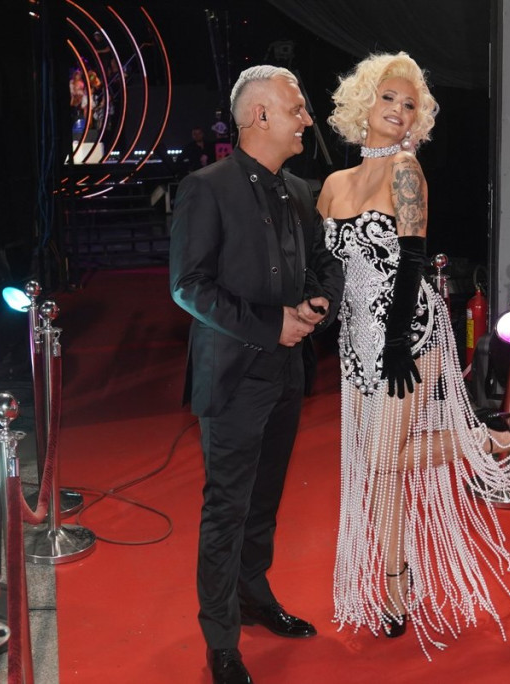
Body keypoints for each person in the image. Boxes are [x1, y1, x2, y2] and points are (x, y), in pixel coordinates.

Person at [316, 53, 510, 654]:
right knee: (383, 469)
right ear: (363, 102)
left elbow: (413, 261)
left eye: (410, 104)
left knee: (383, 458)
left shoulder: (406, 171)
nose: (399, 111)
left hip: (411, 333)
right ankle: (396, 591)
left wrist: (398, 339)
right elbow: (329, 270)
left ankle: (485, 439)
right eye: (388, 98)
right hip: (357, 342)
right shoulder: (334, 186)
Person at [170, 65, 344, 684]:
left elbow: (323, 263)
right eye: (297, 109)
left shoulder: (297, 190)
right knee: (227, 508)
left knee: (265, 501)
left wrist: (320, 303)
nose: (307, 119)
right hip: (233, 377)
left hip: (288, 374)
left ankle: (253, 595)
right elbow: (189, 286)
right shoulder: (206, 188)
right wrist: (272, 324)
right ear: (260, 115)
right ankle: (220, 640)